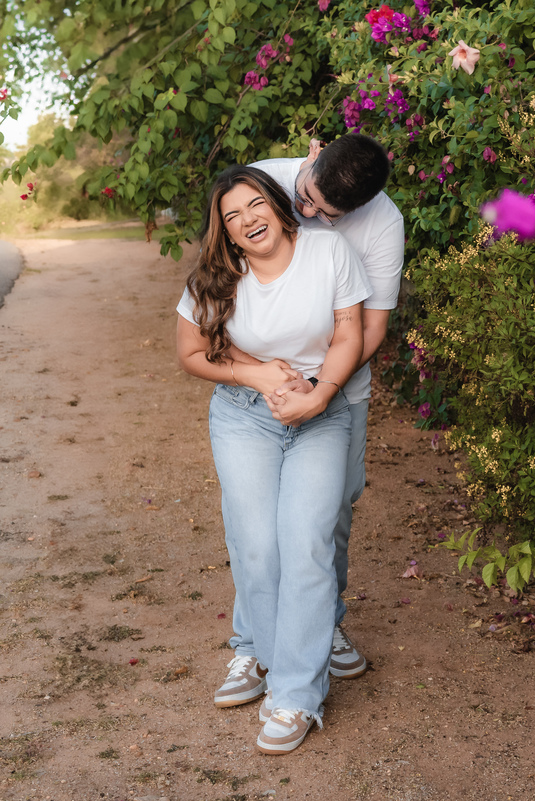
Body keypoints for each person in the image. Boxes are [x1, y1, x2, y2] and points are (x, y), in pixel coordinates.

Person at [176, 165, 372, 754]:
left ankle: (294, 695)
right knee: (256, 542)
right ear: (226, 232)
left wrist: (321, 395)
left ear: (278, 205)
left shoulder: (328, 251)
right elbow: (190, 352)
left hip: (321, 409)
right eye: (232, 216)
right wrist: (255, 373)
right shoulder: (217, 276)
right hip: (243, 415)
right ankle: (263, 655)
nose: (247, 221)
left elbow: (349, 333)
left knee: (307, 541)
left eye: (254, 205)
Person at [210, 134, 405, 707]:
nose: (308, 214)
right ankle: (255, 642)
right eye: (305, 197)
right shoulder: (259, 185)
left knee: (325, 518)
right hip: (261, 382)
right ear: (310, 155)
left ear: (361, 208)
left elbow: (368, 330)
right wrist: (269, 377)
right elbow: (214, 296)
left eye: (327, 213)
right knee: (256, 528)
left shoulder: (380, 226)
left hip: (341, 389)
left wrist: (319, 390)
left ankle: (321, 627)